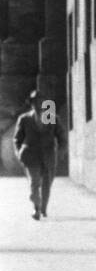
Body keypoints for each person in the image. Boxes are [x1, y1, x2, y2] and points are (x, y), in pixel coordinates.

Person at [14, 91, 61, 221]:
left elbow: (60, 136)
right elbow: (17, 139)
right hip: (30, 156)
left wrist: (60, 152)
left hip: (48, 156)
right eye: (35, 102)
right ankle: (36, 208)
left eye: (40, 101)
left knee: (46, 184)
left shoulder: (50, 117)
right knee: (34, 183)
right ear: (32, 104)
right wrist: (19, 153)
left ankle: (43, 208)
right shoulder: (24, 119)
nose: (38, 104)